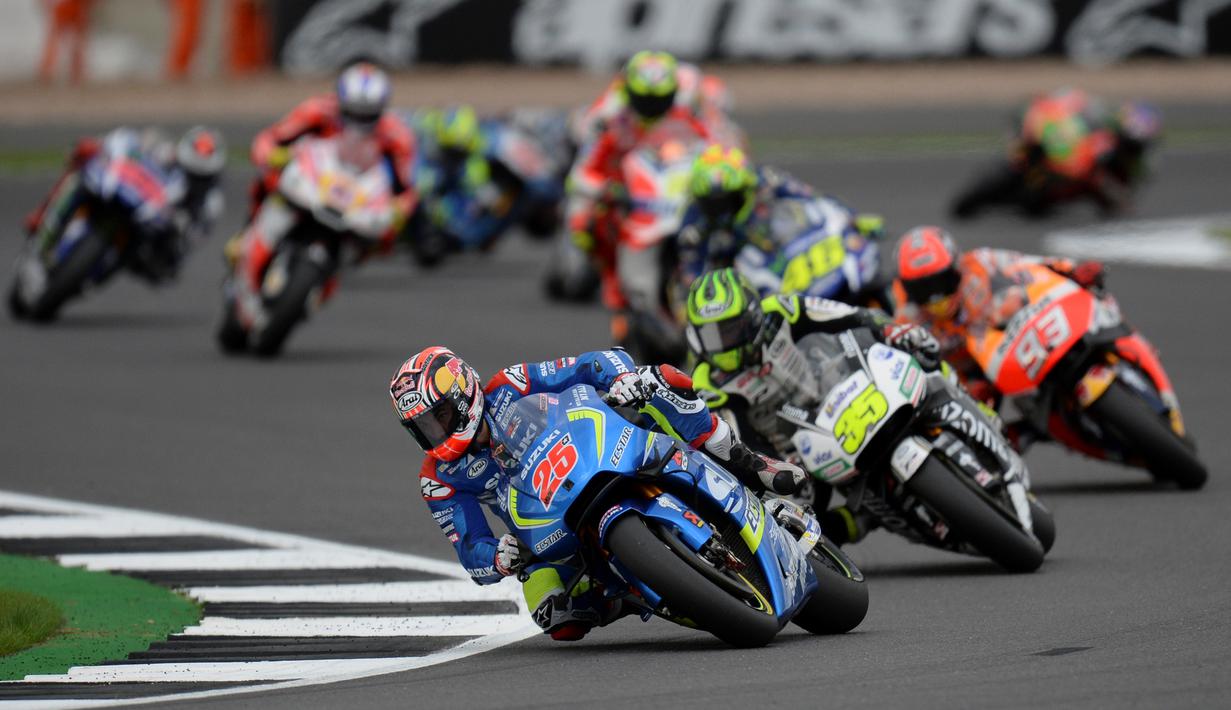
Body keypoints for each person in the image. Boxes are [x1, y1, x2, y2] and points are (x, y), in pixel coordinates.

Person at [389, 346, 805, 641]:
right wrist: (498, 557)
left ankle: (749, 464)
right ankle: (624, 593)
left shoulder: (511, 385)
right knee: (555, 617)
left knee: (663, 384)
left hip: (598, 454)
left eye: (439, 415)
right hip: (545, 530)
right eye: (422, 427)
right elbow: (470, 550)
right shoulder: (439, 478)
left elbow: (591, 363)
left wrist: (622, 378)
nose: (435, 431)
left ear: (462, 394)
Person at [683, 268, 942, 546]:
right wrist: (773, 463)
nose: (723, 343)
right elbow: (735, 440)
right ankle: (865, 517)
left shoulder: (782, 310)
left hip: (840, 391)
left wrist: (889, 329)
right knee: (799, 529)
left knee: (921, 360)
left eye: (730, 329)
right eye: (712, 335)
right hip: (797, 449)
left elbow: (846, 315)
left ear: (752, 316)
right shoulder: (708, 383)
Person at [565, 50, 713, 310]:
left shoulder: (685, 118)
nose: (652, 107)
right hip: (623, 193)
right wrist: (607, 189)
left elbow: (711, 149)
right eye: (645, 99)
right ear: (630, 93)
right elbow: (580, 174)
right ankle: (611, 275)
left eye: (660, 99)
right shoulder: (610, 123)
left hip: (667, 192)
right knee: (584, 221)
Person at [890, 225, 1106, 401]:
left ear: (956, 266)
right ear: (907, 288)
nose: (935, 297)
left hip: (1010, 339)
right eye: (922, 289)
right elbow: (917, 370)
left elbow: (1028, 264)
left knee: (1015, 300)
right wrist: (960, 389)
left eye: (941, 282)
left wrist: (1072, 270)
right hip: (971, 375)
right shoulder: (906, 316)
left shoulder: (981, 262)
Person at [677, 144, 884, 301]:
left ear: (745, 190)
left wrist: (852, 219)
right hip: (753, 277)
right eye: (712, 204)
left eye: (728, 200)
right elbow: (692, 281)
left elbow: (813, 197)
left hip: (791, 248)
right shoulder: (693, 223)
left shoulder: (765, 179)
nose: (721, 210)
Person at [23, 125, 226, 282]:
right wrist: (102, 148)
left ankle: (91, 277)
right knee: (81, 176)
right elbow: (125, 144)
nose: (194, 180)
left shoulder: (210, 202)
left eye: (201, 177)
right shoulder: (162, 149)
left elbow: (191, 243)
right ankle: (43, 222)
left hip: (153, 236)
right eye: (191, 172)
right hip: (125, 195)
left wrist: (180, 227)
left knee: (161, 267)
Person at [242, 61, 416, 238]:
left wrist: (399, 210)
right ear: (340, 102)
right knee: (268, 179)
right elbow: (269, 139)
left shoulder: (397, 134)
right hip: (313, 182)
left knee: (389, 234)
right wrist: (273, 155)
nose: (358, 123)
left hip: (358, 197)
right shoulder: (317, 110)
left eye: (367, 116)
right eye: (353, 113)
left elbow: (406, 186)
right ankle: (247, 233)